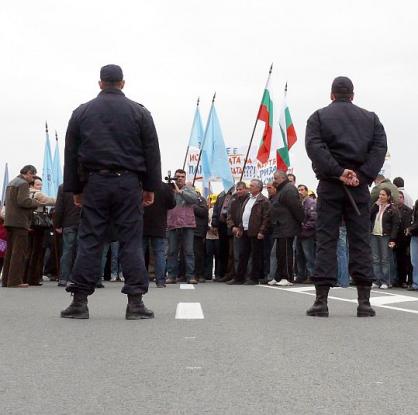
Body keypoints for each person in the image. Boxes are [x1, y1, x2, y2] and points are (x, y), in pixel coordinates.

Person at [61, 64, 161, 319]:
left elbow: (71, 155)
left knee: (90, 240)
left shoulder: (81, 112)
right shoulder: (140, 112)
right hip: (128, 183)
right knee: (130, 240)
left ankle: (79, 302)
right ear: (122, 83)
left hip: (95, 182)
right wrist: (150, 187)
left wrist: (75, 189)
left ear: (100, 83)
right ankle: (135, 303)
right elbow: (152, 153)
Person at [305, 76, 387, 317]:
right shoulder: (371, 118)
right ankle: (364, 302)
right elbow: (379, 149)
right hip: (358, 187)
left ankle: (321, 302)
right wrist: (361, 175)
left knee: (327, 240)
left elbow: (315, 147)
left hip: (331, 185)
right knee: (360, 241)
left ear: (331, 94)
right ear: (353, 95)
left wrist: (339, 172)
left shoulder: (318, 117)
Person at [2, 165, 41, 288]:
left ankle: (6, 280)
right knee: (19, 252)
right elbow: (23, 201)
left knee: (10, 252)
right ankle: (15, 281)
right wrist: (36, 202)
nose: (33, 178)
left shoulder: (11, 182)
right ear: (29, 173)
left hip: (9, 221)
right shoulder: (23, 184)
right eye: (33, 175)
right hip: (19, 222)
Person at [227, 179, 270, 285]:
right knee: (242, 255)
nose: (249, 187)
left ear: (258, 188)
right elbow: (244, 214)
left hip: (256, 232)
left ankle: (253, 278)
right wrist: (240, 228)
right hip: (245, 230)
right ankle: (239, 278)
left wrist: (262, 231)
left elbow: (266, 218)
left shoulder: (263, 200)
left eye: (252, 185)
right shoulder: (248, 199)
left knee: (255, 256)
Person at [270, 171, 304, 286]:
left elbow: (296, 207)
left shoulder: (289, 189)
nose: (274, 180)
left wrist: (301, 220)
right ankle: (278, 276)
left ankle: (287, 277)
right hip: (280, 226)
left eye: (276, 178)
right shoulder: (281, 189)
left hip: (287, 225)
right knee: (279, 253)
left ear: (283, 178)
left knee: (286, 252)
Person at [165, 169, 198, 284]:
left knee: (188, 251)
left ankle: (190, 276)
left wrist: (180, 192)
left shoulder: (189, 188)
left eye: (182, 176)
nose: (179, 178)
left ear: (185, 178)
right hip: (173, 224)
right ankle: (171, 276)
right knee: (172, 251)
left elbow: (194, 199)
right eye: (177, 176)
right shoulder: (169, 189)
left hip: (187, 224)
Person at [143, 181, 176, 288]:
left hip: (142, 222)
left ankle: (139, 279)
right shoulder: (165, 187)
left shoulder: (141, 184)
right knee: (160, 253)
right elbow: (172, 204)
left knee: (139, 252)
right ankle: (160, 280)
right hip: (159, 223)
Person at [24, 176, 56, 286]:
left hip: (27, 224)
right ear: (32, 185)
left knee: (28, 251)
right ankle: (33, 278)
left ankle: (24, 276)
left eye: (41, 185)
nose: (40, 187)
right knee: (36, 252)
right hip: (38, 225)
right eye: (38, 184)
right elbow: (51, 201)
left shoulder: (24, 193)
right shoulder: (37, 193)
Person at [370, 189, 400, 289]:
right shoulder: (376, 206)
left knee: (385, 259)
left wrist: (393, 239)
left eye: (383, 195)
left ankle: (385, 281)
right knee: (375, 259)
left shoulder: (392, 208)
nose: (380, 196)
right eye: (380, 194)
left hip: (385, 236)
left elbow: (395, 225)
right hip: (374, 234)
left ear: (388, 196)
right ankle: (376, 280)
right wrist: (375, 205)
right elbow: (368, 215)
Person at [54, 183, 81, 287]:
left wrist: (57, 224)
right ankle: (79, 278)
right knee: (81, 251)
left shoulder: (63, 187)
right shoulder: (85, 185)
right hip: (84, 223)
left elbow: (59, 207)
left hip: (68, 222)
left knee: (67, 251)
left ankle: (63, 278)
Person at [224, 182, 249, 283]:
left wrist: (241, 227)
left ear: (245, 189)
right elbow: (228, 215)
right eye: (237, 189)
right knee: (236, 255)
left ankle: (247, 276)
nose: (238, 191)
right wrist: (233, 227)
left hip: (246, 230)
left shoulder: (249, 200)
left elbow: (248, 215)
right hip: (235, 231)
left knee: (247, 255)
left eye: (240, 189)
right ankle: (237, 276)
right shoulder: (233, 200)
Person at [295, 184, 317, 284]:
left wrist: (304, 227)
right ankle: (301, 275)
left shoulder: (311, 202)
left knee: (309, 255)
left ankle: (311, 275)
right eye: (298, 190)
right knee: (299, 255)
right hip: (299, 233)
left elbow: (314, 219)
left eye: (302, 190)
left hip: (307, 234)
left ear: (306, 191)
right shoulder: (299, 203)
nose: (300, 191)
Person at [395, 191, 413, 288]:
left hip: (404, 239)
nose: (399, 199)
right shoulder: (393, 209)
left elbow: (407, 225)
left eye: (401, 197)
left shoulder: (408, 210)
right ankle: (397, 279)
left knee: (404, 261)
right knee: (396, 260)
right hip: (395, 237)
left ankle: (403, 281)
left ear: (403, 199)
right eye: (398, 197)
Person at [193, 191, 209, 283]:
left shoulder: (200, 199)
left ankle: (199, 274)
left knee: (198, 253)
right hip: (185, 229)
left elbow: (203, 212)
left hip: (198, 230)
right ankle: (184, 274)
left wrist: (192, 205)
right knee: (186, 253)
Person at [406, 200, 418, 291]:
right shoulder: (417, 203)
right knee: (414, 261)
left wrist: (410, 228)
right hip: (414, 236)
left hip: (414, 233)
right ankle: (415, 283)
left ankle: (415, 283)